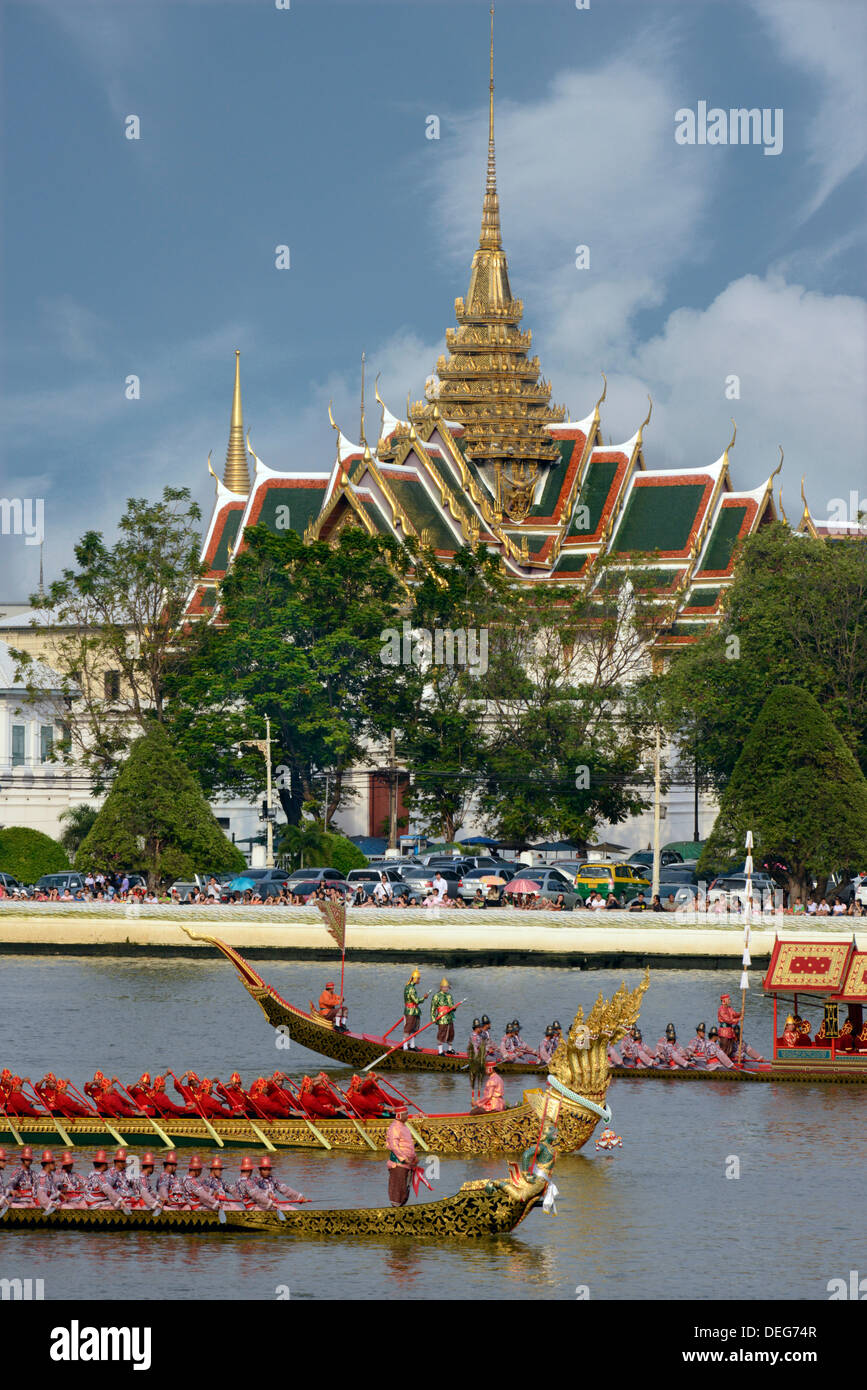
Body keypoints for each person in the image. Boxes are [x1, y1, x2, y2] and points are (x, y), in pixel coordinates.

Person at [386, 1105, 418, 1207]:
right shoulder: (395, 1127)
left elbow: (409, 1145)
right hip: (398, 1163)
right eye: (406, 1114)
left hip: (407, 1164)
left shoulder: (404, 1127)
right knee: (397, 1189)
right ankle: (396, 1209)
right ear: (399, 1115)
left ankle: (400, 1208)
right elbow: (394, 1146)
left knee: (404, 1188)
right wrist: (404, 1159)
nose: (407, 1116)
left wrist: (414, 1157)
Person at [430, 977, 457, 1054]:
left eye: (447, 987)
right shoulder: (436, 996)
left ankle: (449, 1049)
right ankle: (440, 1051)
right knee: (441, 1033)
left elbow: (451, 1006)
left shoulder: (449, 996)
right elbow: (433, 1008)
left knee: (451, 1033)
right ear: (441, 987)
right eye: (445, 987)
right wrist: (433, 1017)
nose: (446, 989)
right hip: (442, 1017)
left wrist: (454, 1008)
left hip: (449, 1017)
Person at [402, 968, 427, 1050]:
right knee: (408, 1028)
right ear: (414, 978)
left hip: (414, 1011)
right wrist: (424, 998)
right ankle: (405, 1046)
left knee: (414, 1028)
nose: (419, 980)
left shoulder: (410, 987)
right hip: (410, 1011)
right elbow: (416, 1000)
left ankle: (412, 1045)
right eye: (418, 978)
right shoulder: (410, 988)